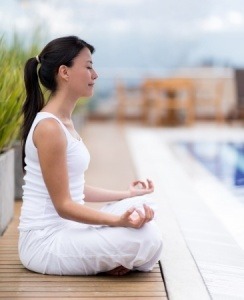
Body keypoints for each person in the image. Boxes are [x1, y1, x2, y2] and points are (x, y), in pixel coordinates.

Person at [18, 36, 163, 276]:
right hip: (45, 244)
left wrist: (127, 195)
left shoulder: (64, 122)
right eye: (88, 67)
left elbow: (76, 188)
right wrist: (117, 222)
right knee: (148, 238)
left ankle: (111, 256)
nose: (95, 75)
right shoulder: (50, 128)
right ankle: (111, 257)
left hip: (71, 230)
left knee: (144, 206)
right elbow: (64, 205)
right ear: (64, 72)